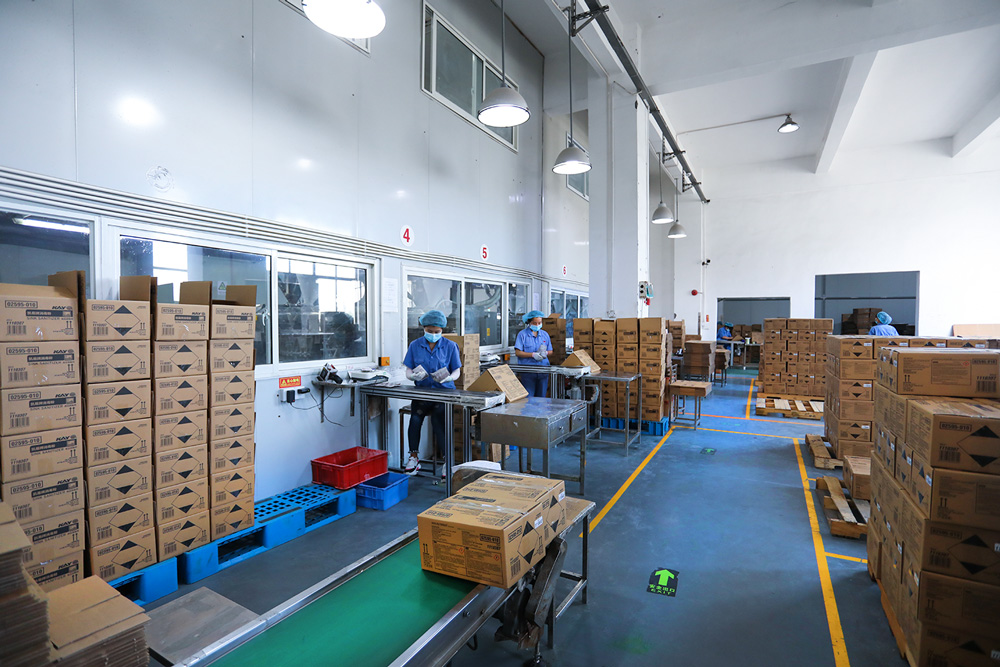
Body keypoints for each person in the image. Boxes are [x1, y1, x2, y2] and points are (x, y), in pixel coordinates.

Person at [402, 310, 462, 476]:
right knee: (415, 420)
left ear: (442, 330)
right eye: (430, 331)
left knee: (438, 422)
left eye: (437, 332)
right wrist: (411, 376)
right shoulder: (415, 345)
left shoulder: (450, 346)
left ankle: (447, 461)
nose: (433, 334)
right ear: (424, 328)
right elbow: (408, 369)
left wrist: (449, 377)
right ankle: (413, 457)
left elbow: (457, 371)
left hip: (443, 393)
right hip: (422, 393)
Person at [514, 310, 553, 397]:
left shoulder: (545, 335)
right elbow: (518, 352)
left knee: (541, 397)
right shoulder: (522, 335)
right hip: (528, 371)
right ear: (529, 322)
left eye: (539, 323)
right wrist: (532, 355)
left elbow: (551, 351)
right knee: (529, 397)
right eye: (535, 323)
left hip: (543, 370)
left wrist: (545, 353)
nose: (537, 325)